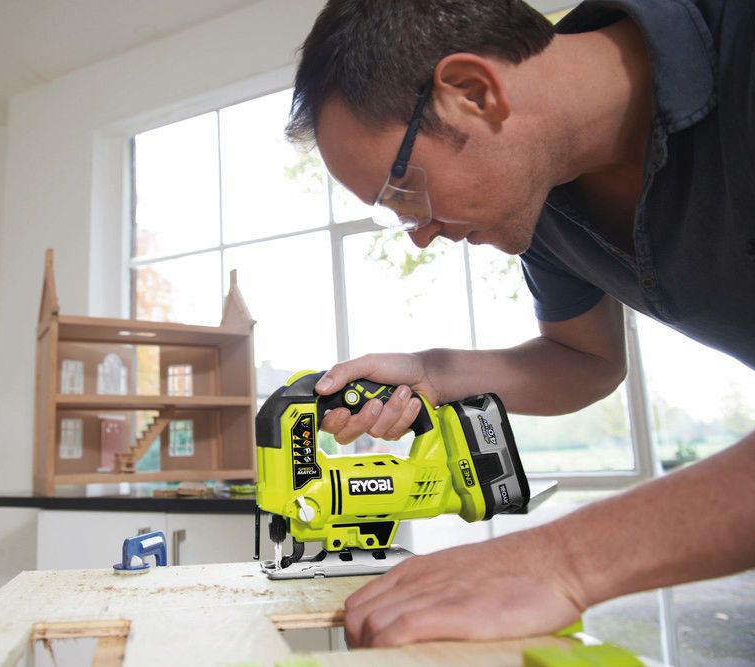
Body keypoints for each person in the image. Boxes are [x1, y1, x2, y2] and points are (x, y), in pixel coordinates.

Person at [284, 0, 755, 648]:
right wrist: (432, 374)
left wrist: (559, 561)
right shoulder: (544, 195)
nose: (418, 234)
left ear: (473, 93)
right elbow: (586, 361)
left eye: (403, 193)